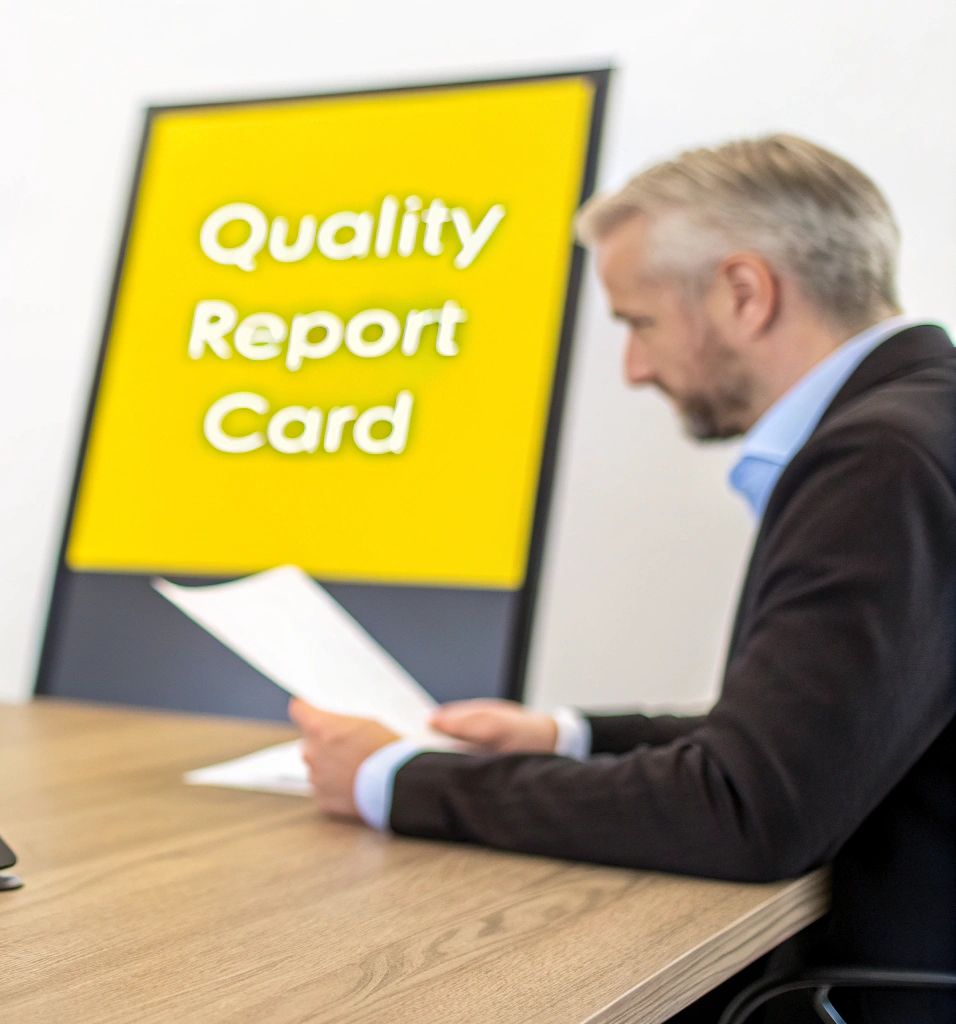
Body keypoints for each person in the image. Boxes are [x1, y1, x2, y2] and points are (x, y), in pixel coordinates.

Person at [290, 135, 955, 1023]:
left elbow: (745, 809)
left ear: (744, 293)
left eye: (638, 323)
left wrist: (397, 782)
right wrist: (565, 735)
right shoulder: (925, 422)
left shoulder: (881, 459)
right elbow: (814, 731)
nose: (636, 370)